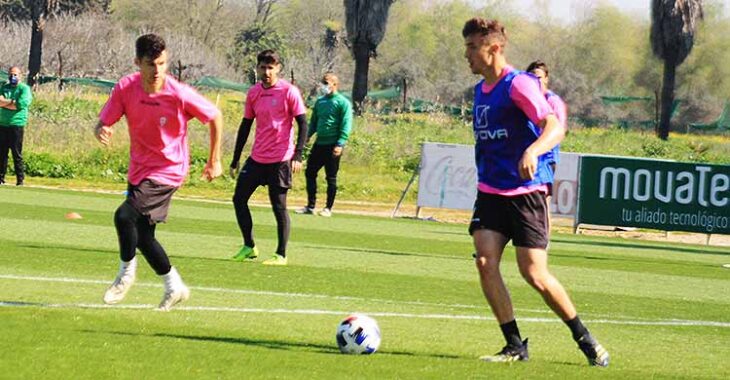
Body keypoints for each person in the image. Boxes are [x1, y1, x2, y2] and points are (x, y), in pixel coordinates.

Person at [462, 17, 609, 366]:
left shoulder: (518, 85)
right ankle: (515, 345)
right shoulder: (480, 90)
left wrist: (533, 151)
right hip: (491, 193)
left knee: (535, 275)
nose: (466, 55)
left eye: (472, 47)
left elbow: (554, 127)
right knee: (485, 262)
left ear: (494, 48)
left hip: (526, 194)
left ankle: (584, 338)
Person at [95, 33, 223, 311]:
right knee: (142, 236)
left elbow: (214, 116)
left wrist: (214, 160)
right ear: (137, 62)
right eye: (151, 64)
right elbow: (106, 119)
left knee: (124, 215)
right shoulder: (126, 88)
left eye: (162, 63)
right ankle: (174, 286)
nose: (158, 71)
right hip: (139, 171)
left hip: (168, 170)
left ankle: (125, 273)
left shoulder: (177, 93)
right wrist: (101, 128)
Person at [230, 50, 308, 266]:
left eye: (270, 67)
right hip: (257, 158)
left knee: (279, 206)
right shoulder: (254, 93)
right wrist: (236, 158)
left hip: (281, 158)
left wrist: (298, 155)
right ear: (257, 68)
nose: (266, 72)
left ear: (278, 68)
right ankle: (249, 246)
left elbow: (303, 123)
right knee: (239, 199)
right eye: (263, 67)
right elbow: (246, 125)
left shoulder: (289, 91)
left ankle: (281, 254)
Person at [296, 73, 353, 217]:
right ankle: (310, 206)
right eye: (323, 83)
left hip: (333, 144)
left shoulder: (342, 103)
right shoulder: (320, 102)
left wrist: (340, 143)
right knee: (310, 172)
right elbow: (314, 121)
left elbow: (346, 124)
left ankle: (328, 208)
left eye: (326, 83)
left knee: (331, 177)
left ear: (335, 84)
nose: (324, 86)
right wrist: (307, 135)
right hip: (320, 143)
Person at [526, 60, 567, 176]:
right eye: (531, 77)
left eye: (539, 77)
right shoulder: (526, 100)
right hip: (528, 156)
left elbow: (559, 131)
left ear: (546, 79)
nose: (536, 81)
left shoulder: (553, 102)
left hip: (546, 159)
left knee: (543, 193)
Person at [0, 66, 33, 186]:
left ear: (20, 75)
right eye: (11, 74)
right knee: (2, 153)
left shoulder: (24, 89)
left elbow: (20, 104)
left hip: (16, 124)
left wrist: (6, 103)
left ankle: (20, 179)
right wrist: (11, 102)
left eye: (15, 74)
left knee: (16, 152)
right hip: (3, 123)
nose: (12, 77)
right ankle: (1, 178)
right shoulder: (4, 87)